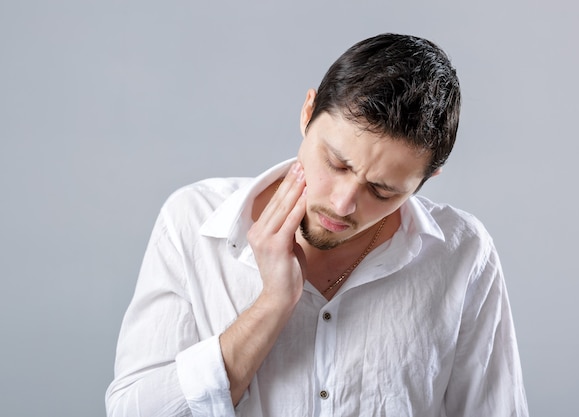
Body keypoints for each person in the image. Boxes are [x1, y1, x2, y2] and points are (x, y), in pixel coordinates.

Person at [106, 33, 528, 416]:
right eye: (336, 163)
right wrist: (272, 305)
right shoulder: (193, 222)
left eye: (382, 191)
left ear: (424, 182)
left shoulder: (463, 254)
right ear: (308, 112)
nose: (343, 204)